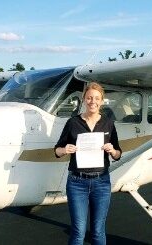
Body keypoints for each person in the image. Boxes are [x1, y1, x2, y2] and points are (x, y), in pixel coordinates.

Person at [54, 82, 122, 245]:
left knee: (98, 231)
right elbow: (56, 150)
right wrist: (65, 150)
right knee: (78, 231)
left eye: (97, 98)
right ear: (84, 99)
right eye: (89, 97)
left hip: (101, 182)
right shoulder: (73, 123)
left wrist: (112, 151)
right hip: (77, 183)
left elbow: (118, 154)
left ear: (102, 101)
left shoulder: (108, 123)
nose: (93, 101)